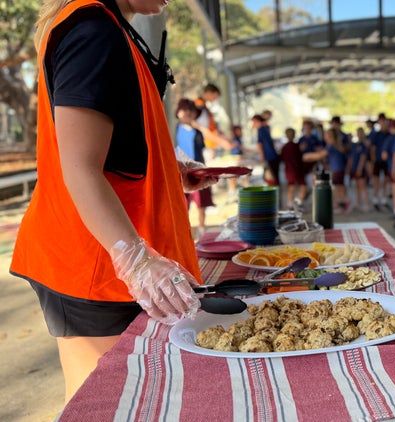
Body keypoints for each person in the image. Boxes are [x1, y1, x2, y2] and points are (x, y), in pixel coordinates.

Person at [10, 0, 215, 403]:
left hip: (106, 260)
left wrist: (172, 172)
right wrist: (137, 261)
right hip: (94, 266)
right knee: (105, 405)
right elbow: (79, 167)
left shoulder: (110, 29)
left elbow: (111, 149)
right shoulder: (93, 31)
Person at [174, 98, 213, 236]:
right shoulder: (173, 131)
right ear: (178, 112)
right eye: (185, 110)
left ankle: (202, 228)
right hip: (178, 173)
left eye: (191, 110)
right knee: (183, 205)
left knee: (201, 202)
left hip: (197, 172)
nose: (188, 113)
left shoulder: (198, 133)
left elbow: (201, 152)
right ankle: (185, 230)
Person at [280, 127, 307, 210]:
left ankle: (290, 204)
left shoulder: (284, 147)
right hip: (297, 169)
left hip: (289, 170)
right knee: (303, 187)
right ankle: (298, 202)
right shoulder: (297, 146)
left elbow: (282, 158)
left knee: (291, 187)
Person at [252, 114, 280, 186]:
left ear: (257, 121)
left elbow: (260, 144)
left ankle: (274, 194)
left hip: (269, 157)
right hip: (272, 157)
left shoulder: (261, 130)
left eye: (253, 122)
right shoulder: (265, 129)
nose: (253, 124)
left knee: (271, 178)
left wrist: (261, 156)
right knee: (273, 177)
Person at [349, 127, 371, 212]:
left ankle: (366, 204)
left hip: (360, 169)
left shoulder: (364, 146)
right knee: (357, 186)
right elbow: (351, 157)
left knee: (363, 186)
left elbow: (363, 158)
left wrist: (360, 168)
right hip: (354, 167)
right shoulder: (354, 145)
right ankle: (358, 203)